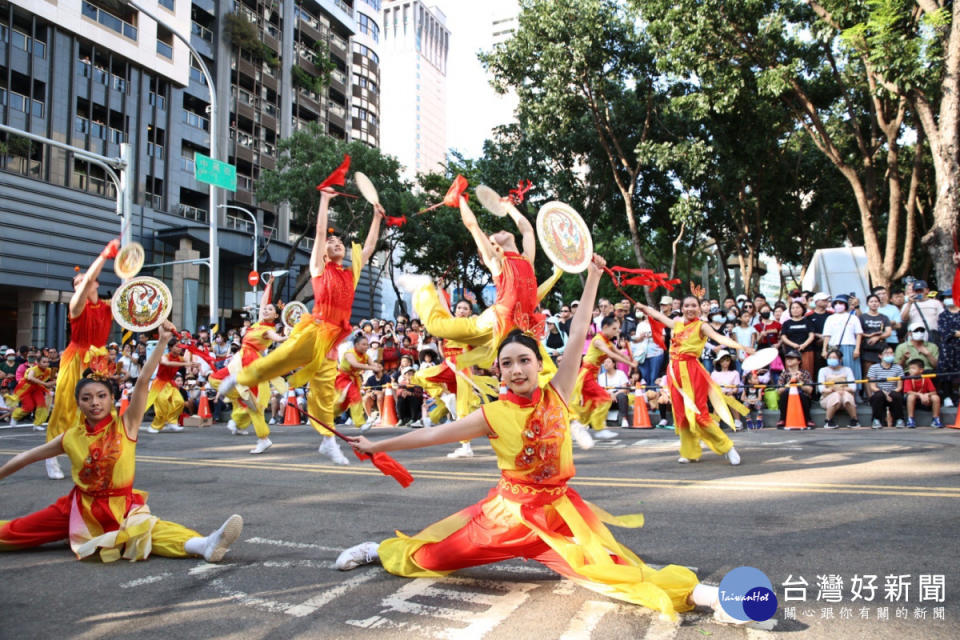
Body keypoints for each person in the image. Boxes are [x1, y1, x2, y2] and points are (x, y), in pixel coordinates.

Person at [337, 255, 735, 624]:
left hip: (560, 516)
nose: (515, 369)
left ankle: (707, 596)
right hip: (506, 517)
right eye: (506, 363)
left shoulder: (557, 392)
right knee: (435, 555)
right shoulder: (492, 414)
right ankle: (379, 550)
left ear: (536, 362)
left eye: (524, 360)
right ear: (499, 371)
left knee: (616, 571)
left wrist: (593, 277)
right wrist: (376, 445)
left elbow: (579, 330)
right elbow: (433, 434)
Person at [0, 322, 243, 564]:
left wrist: (160, 342)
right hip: (78, 508)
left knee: (146, 530)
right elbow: (28, 456)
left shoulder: (126, 424)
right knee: (15, 532)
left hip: (120, 506)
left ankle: (204, 544)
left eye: (101, 396)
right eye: (87, 398)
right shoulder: (70, 436)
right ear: (79, 403)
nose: (94, 402)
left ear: (112, 398)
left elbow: (144, 378)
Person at [221, 188, 384, 464]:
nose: (336, 243)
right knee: (281, 360)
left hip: (333, 340)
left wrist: (377, 218)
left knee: (323, 392)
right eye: (332, 243)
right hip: (315, 329)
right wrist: (324, 200)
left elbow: (368, 248)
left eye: (339, 242)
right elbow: (320, 233)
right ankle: (239, 378)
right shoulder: (320, 269)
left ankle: (328, 441)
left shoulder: (350, 272)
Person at [404, 195, 562, 396]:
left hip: (521, 327)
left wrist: (509, 207)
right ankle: (424, 288)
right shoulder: (498, 262)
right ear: (492, 246)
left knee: (547, 370)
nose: (500, 231)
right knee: (437, 326)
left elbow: (527, 229)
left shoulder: (526, 260)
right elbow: (472, 225)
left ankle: (564, 418)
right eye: (494, 235)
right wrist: (460, 199)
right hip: (496, 322)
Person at [635, 296, 754, 465]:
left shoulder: (702, 326)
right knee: (681, 415)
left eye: (693, 305)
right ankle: (690, 452)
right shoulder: (676, 323)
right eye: (686, 305)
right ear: (682, 308)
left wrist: (743, 347)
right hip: (674, 373)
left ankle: (727, 447)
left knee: (699, 415)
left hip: (692, 372)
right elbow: (660, 317)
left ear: (699, 308)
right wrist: (643, 307)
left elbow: (720, 339)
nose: (690, 308)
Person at [43, 240, 117, 480]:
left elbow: (131, 302)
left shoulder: (107, 307)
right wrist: (105, 255)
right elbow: (86, 282)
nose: (80, 285)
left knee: (102, 410)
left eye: (83, 281)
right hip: (76, 358)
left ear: (97, 283)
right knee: (65, 410)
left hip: (99, 361)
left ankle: (98, 457)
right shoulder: (76, 306)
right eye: (76, 283)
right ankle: (50, 456)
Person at [209, 276, 287, 454]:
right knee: (214, 379)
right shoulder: (259, 323)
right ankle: (242, 408)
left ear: (276, 316)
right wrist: (269, 284)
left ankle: (263, 439)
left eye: (270, 310)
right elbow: (263, 301)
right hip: (239, 362)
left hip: (252, 365)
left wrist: (287, 336)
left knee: (254, 406)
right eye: (265, 309)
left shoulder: (269, 330)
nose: (265, 310)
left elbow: (279, 339)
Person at [571, 315, 636, 445]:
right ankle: (599, 429)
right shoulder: (598, 340)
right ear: (605, 327)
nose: (617, 332)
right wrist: (630, 364)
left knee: (589, 404)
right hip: (586, 375)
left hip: (592, 375)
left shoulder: (607, 341)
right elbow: (612, 355)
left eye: (618, 329)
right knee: (605, 398)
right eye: (614, 329)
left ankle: (577, 427)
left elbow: (617, 351)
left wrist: (630, 359)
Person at [144, 341, 198, 433]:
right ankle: (155, 426)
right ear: (170, 347)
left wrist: (194, 362)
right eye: (177, 346)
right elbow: (168, 363)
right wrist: (185, 364)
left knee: (179, 401)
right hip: (159, 383)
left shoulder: (180, 358)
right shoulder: (164, 357)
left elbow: (190, 361)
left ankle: (172, 422)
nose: (179, 348)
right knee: (162, 405)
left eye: (180, 346)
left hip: (170, 383)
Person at [334, 334, 382, 428]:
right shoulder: (349, 353)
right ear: (356, 345)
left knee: (343, 405)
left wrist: (377, 368)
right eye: (363, 344)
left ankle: (326, 415)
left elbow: (374, 366)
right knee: (355, 397)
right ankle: (360, 423)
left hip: (354, 380)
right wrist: (372, 367)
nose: (366, 346)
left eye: (367, 344)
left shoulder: (366, 356)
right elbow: (355, 364)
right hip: (343, 378)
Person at [821, 295, 863, 391]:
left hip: (849, 345)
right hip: (834, 347)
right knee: (834, 370)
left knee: (851, 370)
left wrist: (857, 349)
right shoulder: (830, 318)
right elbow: (827, 335)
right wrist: (824, 349)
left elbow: (859, 334)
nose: (838, 305)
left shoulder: (853, 318)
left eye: (841, 303)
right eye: (836, 303)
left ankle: (854, 393)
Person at [8, 355, 54, 431]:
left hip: (37, 389)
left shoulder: (49, 370)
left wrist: (56, 380)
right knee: (29, 407)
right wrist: (45, 384)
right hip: (25, 389)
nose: (46, 364)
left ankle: (37, 424)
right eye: (44, 362)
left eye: (47, 362)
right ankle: (14, 416)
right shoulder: (33, 369)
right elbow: (30, 377)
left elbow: (58, 377)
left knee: (41, 405)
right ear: (38, 363)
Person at [817, 348, 858, 429]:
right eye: (830, 358)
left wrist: (842, 390)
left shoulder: (847, 370)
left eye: (834, 358)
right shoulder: (823, 370)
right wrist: (834, 390)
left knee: (846, 395)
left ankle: (854, 420)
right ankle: (828, 421)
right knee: (836, 396)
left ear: (840, 359)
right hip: (828, 398)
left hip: (845, 398)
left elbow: (853, 388)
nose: (831, 360)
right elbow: (821, 389)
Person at [866, 345, 905, 429]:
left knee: (896, 395)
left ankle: (899, 419)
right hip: (880, 392)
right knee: (878, 395)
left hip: (893, 392)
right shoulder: (873, 368)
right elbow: (872, 386)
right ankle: (876, 420)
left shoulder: (898, 368)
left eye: (891, 353)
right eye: (886, 353)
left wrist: (890, 393)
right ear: (880, 356)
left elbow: (899, 387)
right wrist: (885, 394)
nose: (889, 355)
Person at [776, 350, 815, 429]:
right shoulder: (784, 374)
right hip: (787, 398)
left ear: (799, 361)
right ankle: (782, 418)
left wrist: (799, 381)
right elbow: (779, 391)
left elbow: (810, 390)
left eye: (792, 358)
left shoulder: (805, 373)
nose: (789, 360)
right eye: (787, 358)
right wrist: (790, 382)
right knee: (784, 394)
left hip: (803, 398)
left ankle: (808, 419)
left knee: (802, 395)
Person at [779, 301, 816, 378]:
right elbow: (783, 337)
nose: (795, 310)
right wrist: (793, 345)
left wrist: (804, 345)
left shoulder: (808, 322)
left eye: (797, 307)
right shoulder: (786, 323)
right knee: (790, 373)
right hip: (791, 352)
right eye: (793, 308)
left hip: (806, 350)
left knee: (806, 373)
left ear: (802, 309)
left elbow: (811, 335)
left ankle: (807, 389)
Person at [858, 294, 892, 375]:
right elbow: (858, 333)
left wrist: (877, 337)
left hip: (881, 348)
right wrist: (869, 336)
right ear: (867, 304)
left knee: (881, 373)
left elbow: (888, 332)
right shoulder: (862, 317)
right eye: (871, 301)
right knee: (868, 373)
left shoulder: (884, 317)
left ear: (879, 303)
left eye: (876, 301)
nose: (874, 303)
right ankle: (868, 388)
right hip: (866, 348)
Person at [937, 289, 960, 407]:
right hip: (948, 348)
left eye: (950, 296)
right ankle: (947, 396)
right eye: (946, 297)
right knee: (947, 372)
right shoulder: (943, 315)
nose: (948, 299)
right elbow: (943, 331)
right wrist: (955, 333)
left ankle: (957, 396)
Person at [903, 359, 942, 428]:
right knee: (911, 396)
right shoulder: (908, 378)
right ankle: (910, 419)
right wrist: (920, 395)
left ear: (921, 370)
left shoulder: (926, 378)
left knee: (936, 397)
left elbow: (934, 391)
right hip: (913, 401)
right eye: (910, 368)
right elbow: (908, 391)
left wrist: (927, 395)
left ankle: (935, 419)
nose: (910, 370)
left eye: (913, 368)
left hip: (925, 400)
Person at [709, 350, 742, 430]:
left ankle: (737, 421)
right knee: (719, 400)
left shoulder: (735, 373)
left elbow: (736, 388)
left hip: (730, 394)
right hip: (718, 395)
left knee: (731, 398)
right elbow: (712, 387)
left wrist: (731, 391)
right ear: (719, 362)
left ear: (730, 361)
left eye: (727, 360)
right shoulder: (714, 373)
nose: (725, 363)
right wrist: (719, 392)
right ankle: (715, 422)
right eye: (723, 360)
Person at [597, 357, 631, 428]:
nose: (606, 364)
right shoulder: (601, 377)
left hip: (617, 397)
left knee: (622, 396)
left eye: (608, 362)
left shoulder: (620, 373)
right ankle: (601, 420)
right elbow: (600, 390)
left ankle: (624, 420)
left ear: (613, 364)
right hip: (607, 398)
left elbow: (624, 388)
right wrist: (610, 394)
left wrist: (614, 394)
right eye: (605, 362)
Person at [731, 309, 757, 374]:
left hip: (749, 355)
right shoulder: (735, 329)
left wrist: (749, 354)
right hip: (739, 354)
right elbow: (736, 343)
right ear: (740, 318)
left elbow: (752, 343)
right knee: (739, 372)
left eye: (748, 316)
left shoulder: (752, 329)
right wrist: (739, 355)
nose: (747, 318)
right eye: (745, 316)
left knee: (749, 374)